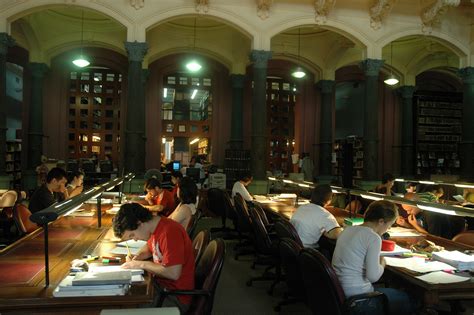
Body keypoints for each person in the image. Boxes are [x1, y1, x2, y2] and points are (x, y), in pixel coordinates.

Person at [332, 200, 414, 315]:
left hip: (337, 292)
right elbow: (373, 277)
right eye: (389, 225)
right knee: (408, 299)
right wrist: (382, 263)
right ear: (381, 221)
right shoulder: (373, 237)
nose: (387, 229)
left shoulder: (347, 230)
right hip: (359, 300)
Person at [113, 203, 194, 313]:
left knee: (121, 307)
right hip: (161, 287)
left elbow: (173, 273)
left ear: (139, 223)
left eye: (132, 235)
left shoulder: (169, 232)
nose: (135, 239)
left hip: (174, 297)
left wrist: (140, 264)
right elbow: (150, 247)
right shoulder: (156, 228)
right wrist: (139, 256)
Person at [397, 192, 465, 239]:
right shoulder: (418, 213)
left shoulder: (431, 213)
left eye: (410, 210)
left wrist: (415, 225)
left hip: (446, 243)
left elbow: (433, 237)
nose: (408, 213)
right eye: (406, 210)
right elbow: (421, 230)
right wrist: (406, 224)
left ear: (417, 204)